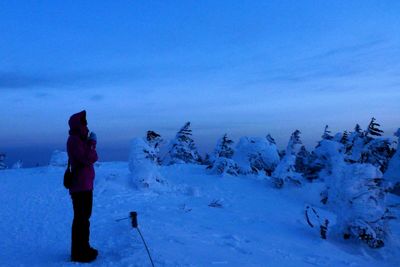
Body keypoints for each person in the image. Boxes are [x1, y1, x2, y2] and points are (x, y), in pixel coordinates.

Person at [67, 110, 98, 262]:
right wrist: (92, 144)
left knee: (84, 219)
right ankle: (79, 253)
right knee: (81, 219)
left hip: (85, 185)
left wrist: (88, 142)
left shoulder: (79, 139)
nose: (86, 125)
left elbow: (90, 157)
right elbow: (89, 158)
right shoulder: (74, 140)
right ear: (78, 124)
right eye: (84, 122)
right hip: (80, 187)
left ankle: (83, 248)